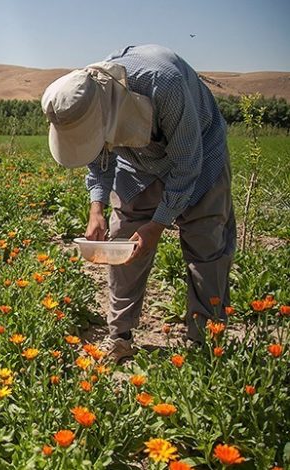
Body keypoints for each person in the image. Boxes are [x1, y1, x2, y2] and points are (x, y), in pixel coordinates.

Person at [41, 44, 236, 362]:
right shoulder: (83, 98)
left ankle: (205, 345)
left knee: (206, 249)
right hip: (137, 162)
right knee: (122, 244)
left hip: (199, 154)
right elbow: (97, 153)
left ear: (107, 110)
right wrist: (96, 207)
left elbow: (187, 165)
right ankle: (119, 336)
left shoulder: (164, 83)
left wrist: (158, 224)